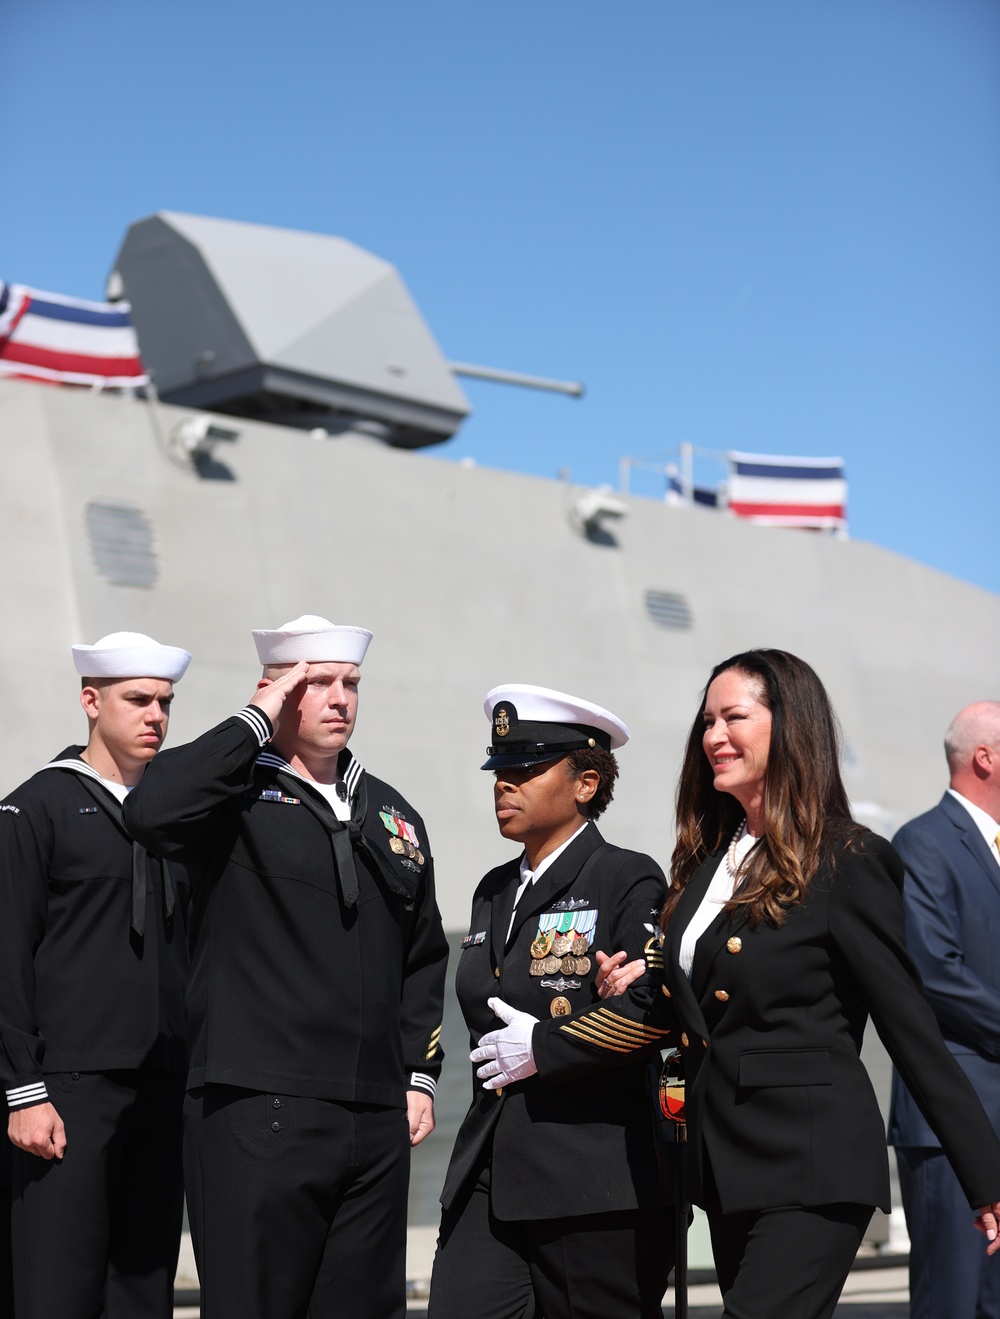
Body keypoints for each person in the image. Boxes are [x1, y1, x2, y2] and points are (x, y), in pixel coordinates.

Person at [597, 650, 1000, 1319]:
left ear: (789, 726)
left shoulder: (849, 859)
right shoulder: (707, 862)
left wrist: (984, 1174)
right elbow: (717, 996)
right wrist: (655, 973)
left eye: (734, 717)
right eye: (707, 721)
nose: (714, 736)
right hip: (726, 1165)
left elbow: (911, 1027)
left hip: (813, 1162)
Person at [123, 615, 448, 1319]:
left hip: (372, 1118)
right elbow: (150, 809)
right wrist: (253, 723)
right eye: (319, 683)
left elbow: (423, 956)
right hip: (257, 1107)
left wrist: (418, 1075)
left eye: (351, 683)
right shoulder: (228, 798)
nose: (340, 698)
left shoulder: (393, 815)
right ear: (276, 690)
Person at [429, 685, 676, 1319]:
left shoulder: (626, 877)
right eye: (499, 771)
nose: (503, 785)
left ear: (586, 783)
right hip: (490, 1167)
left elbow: (653, 1010)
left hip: (589, 1180)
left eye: (526, 770)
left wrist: (545, 1047)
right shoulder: (493, 890)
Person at [0, 629, 192, 1319]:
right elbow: (5, 954)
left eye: (165, 702)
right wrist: (23, 1089)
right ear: (91, 700)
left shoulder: (179, 821)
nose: (156, 716)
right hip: (66, 1092)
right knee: (57, 1291)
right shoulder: (37, 807)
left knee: (143, 1294)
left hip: (163, 1089)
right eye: (138, 699)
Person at [888, 700, 1000, 1319]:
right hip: (952, 1123)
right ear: (984, 757)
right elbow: (936, 972)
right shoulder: (924, 844)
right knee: (953, 1302)